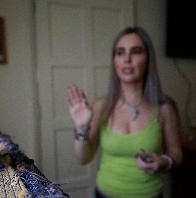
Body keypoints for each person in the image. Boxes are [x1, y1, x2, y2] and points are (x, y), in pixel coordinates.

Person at [66, 26, 183, 198]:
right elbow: (83, 158)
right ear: (114, 61)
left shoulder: (165, 108)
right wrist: (82, 128)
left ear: (148, 59)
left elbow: (176, 153)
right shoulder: (101, 106)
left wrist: (164, 162)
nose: (127, 59)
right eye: (120, 52)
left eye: (136, 52)